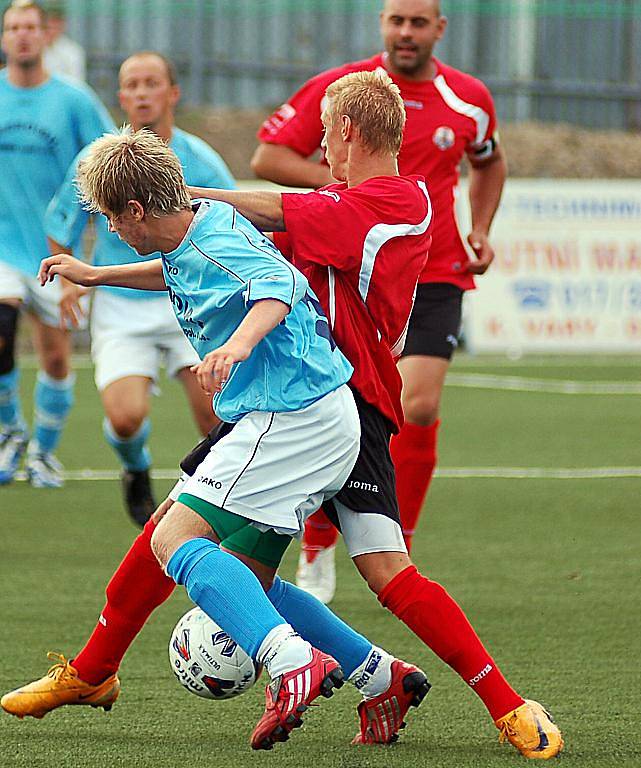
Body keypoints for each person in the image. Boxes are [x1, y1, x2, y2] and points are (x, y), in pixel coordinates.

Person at [3, 71, 561, 759]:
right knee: (240, 560)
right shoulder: (332, 203)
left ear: (347, 133)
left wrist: (179, 201)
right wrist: (116, 259)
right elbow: (224, 243)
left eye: (325, 134)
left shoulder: (395, 200)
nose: (320, 147)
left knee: (231, 547)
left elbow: (269, 225)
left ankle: (460, 696)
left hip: (327, 399)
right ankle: (385, 678)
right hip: (304, 395)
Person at [6, 126, 433, 752]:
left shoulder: (216, 242)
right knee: (247, 579)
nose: (112, 231)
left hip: (290, 421)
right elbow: (173, 270)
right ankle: (378, 675)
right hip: (315, 417)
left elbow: (279, 289)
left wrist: (235, 347)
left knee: (174, 537)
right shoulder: (194, 227)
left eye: (111, 223)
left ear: (136, 210)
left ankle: (291, 661)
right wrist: (97, 274)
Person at [252, 0, 508, 598]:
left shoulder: (469, 99)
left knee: (416, 405)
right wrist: (341, 195)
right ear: (383, 25)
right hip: (348, 270)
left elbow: (490, 164)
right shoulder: (349, 91)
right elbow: (268, 156)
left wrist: (482, 227)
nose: (406, 32)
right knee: (342, 402)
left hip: (433, 270)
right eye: (397, 20)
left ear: (439, 29)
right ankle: (316, 547)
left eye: (419, 23)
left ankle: (400, 541)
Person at [45, 51, 232, 525]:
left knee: (215, 418)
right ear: (122, 96)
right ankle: (135, 468)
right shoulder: (98, 159)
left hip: (186, 304)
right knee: (125, 418)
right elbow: (61, 221)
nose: (143, 93)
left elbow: (237, 221)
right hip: (120, 305)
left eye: (153, 83)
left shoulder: (199, 161)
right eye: (133, 84)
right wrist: (70, 282)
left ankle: (213, 509)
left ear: (173, 93)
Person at [0, 0, 112, 488]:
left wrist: (86, 247)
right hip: (2, 248)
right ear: (4, 38)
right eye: (13, 28)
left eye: (31, 27)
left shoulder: (75, 100)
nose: (23, 35)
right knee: (1, 331)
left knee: (56, 359)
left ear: (46, 36)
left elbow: (106, 159)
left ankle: (43, 452)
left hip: (52, 248)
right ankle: (10, 434)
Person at [42, 1, 85, 81]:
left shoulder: (72, 51)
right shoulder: (35, 49)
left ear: (62, 25)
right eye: (48, 25)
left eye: (55, 24)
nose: (51, 29)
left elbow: (76, 82)